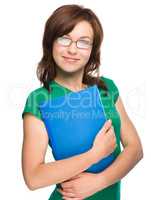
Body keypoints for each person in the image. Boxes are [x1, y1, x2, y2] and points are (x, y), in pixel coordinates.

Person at [21, 4, 143, 200]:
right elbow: (33, 177)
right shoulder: (39, 99)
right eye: (64, 38)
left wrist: (99, 181)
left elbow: (135, 149)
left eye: (83, 42)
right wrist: (94, 154)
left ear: (92, 49)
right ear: (51, 42)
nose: (72, 49)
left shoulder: (107, 88)